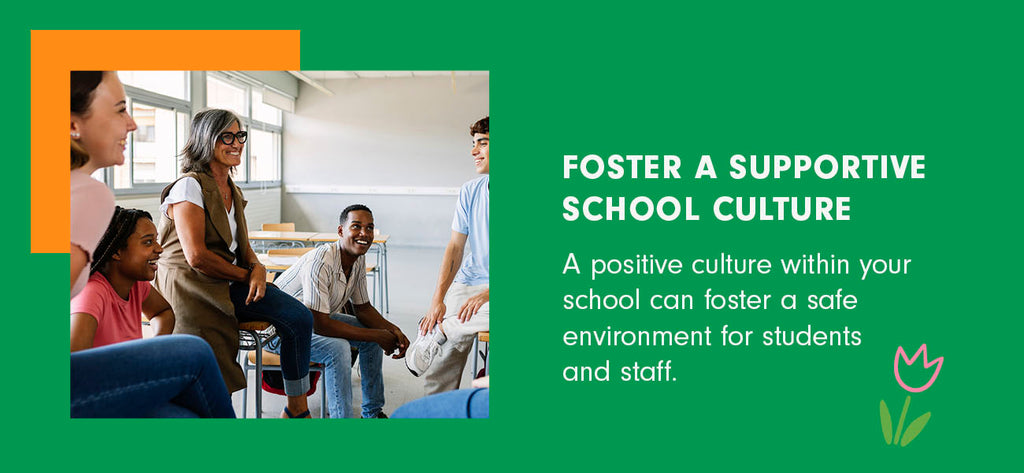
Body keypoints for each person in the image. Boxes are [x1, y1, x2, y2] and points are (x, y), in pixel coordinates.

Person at [69, 71, 234, 418]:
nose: (131, 124)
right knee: (193, 353)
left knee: (185, 415)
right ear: (72, 124)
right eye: (118, 110)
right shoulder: (86, 194)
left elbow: (162, 312)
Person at [154, 108, 314, 418]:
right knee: (211, 381)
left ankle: (296, 411)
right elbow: (196, 257)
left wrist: (257, 268)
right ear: (205, 140)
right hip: (189, 289)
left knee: (299, 317)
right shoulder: (189, 186)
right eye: (226, 136)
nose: (236, 142)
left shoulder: (232, 189)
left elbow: (243, 246)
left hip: (224, 282)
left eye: (240, 135)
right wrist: (248, 274)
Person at [269, 204, 409, 418]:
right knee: (339, 349)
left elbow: (363, 309)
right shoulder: (321, 260)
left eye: (370, 228)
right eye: (357, 226)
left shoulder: (357, 259)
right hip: (279, 331)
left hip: (310, 321)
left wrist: (392, 330)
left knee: (371, 338)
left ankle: (372, 413)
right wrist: (377, 335)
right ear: (341, 231)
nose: (365, 233)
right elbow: (321, 324)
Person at [406, 117, 490, 395]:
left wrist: (487, 295)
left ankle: (445, 331)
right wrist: (437, 299)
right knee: (442, 359)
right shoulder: (470, 191)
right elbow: (455, 247)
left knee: (447, 331)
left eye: (483, 143)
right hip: (468, 281)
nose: (474, 151)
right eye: (473, 144)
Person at [71, 207, 174, 351]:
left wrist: (153, 349)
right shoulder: (92, 293)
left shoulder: (137, 284)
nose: (159, 249)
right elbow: (74, 362)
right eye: (148, 242)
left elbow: (163, 312)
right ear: (116, 252)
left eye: (155, 240)